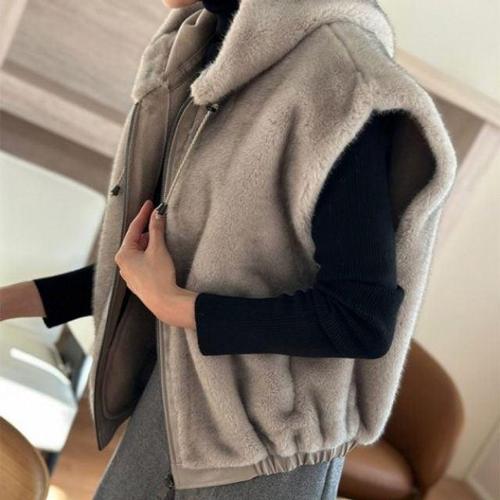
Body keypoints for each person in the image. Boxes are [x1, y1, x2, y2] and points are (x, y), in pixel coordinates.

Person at [0, 0, 457, 498]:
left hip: (261, 457)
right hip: (175, 409)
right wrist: (9, 302)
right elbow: (162, 264)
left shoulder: (341, 81)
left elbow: (361, 319)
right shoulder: (208, 42)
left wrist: (174, 305)